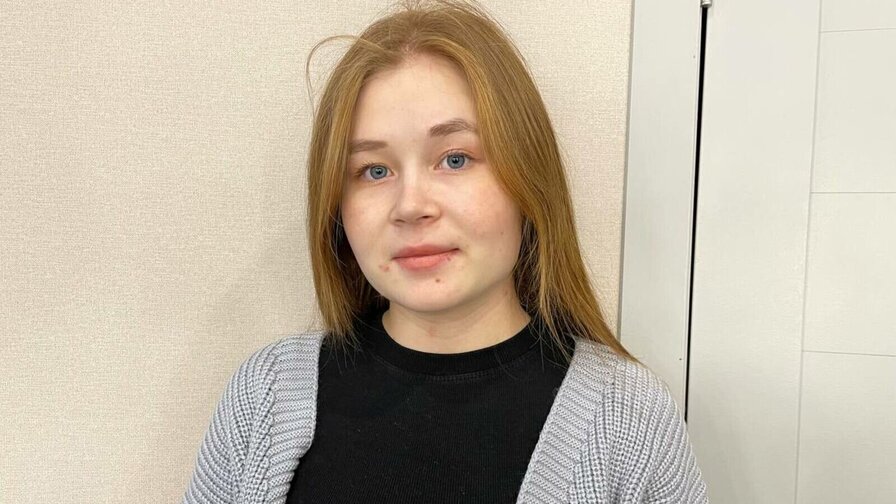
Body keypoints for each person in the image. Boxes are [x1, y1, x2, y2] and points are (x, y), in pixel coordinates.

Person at [181, 1, 708, 503]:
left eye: (455, 159)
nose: (411, 206)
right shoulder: (266, 397)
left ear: (528, 177)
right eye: (374, 170)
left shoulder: (629, 420)